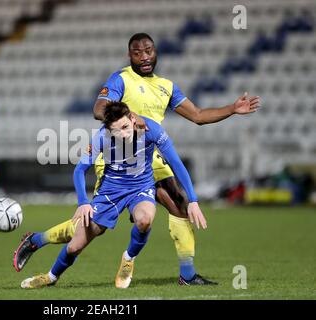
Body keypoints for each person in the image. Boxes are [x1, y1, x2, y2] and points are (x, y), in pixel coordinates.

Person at [15, 33, 260, 285]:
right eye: (137, 52)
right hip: (117, 160)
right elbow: (99, 110)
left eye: (149, 51)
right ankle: (37, 239)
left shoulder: (166, 86)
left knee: (180, 203)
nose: (144, 57)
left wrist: (231, 109)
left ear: (156, 52)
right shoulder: (121, 79)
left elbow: (197, 115)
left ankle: (186, 274)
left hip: (149, 157)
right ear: (129, 55)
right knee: (91, 227)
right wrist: (129, 115)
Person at [20, 101, 206, 289]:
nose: (123, 134)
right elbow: (79, 170)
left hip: (140, 187)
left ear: (133, 119)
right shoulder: (101, 137)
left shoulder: (152, 130)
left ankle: (128, 259)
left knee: (145, 220)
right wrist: (83, 202)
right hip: (110, 191)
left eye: (126, 127)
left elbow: (176, 164)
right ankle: (51, 277)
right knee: (75, 246)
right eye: (117, 131)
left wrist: (193, 200)